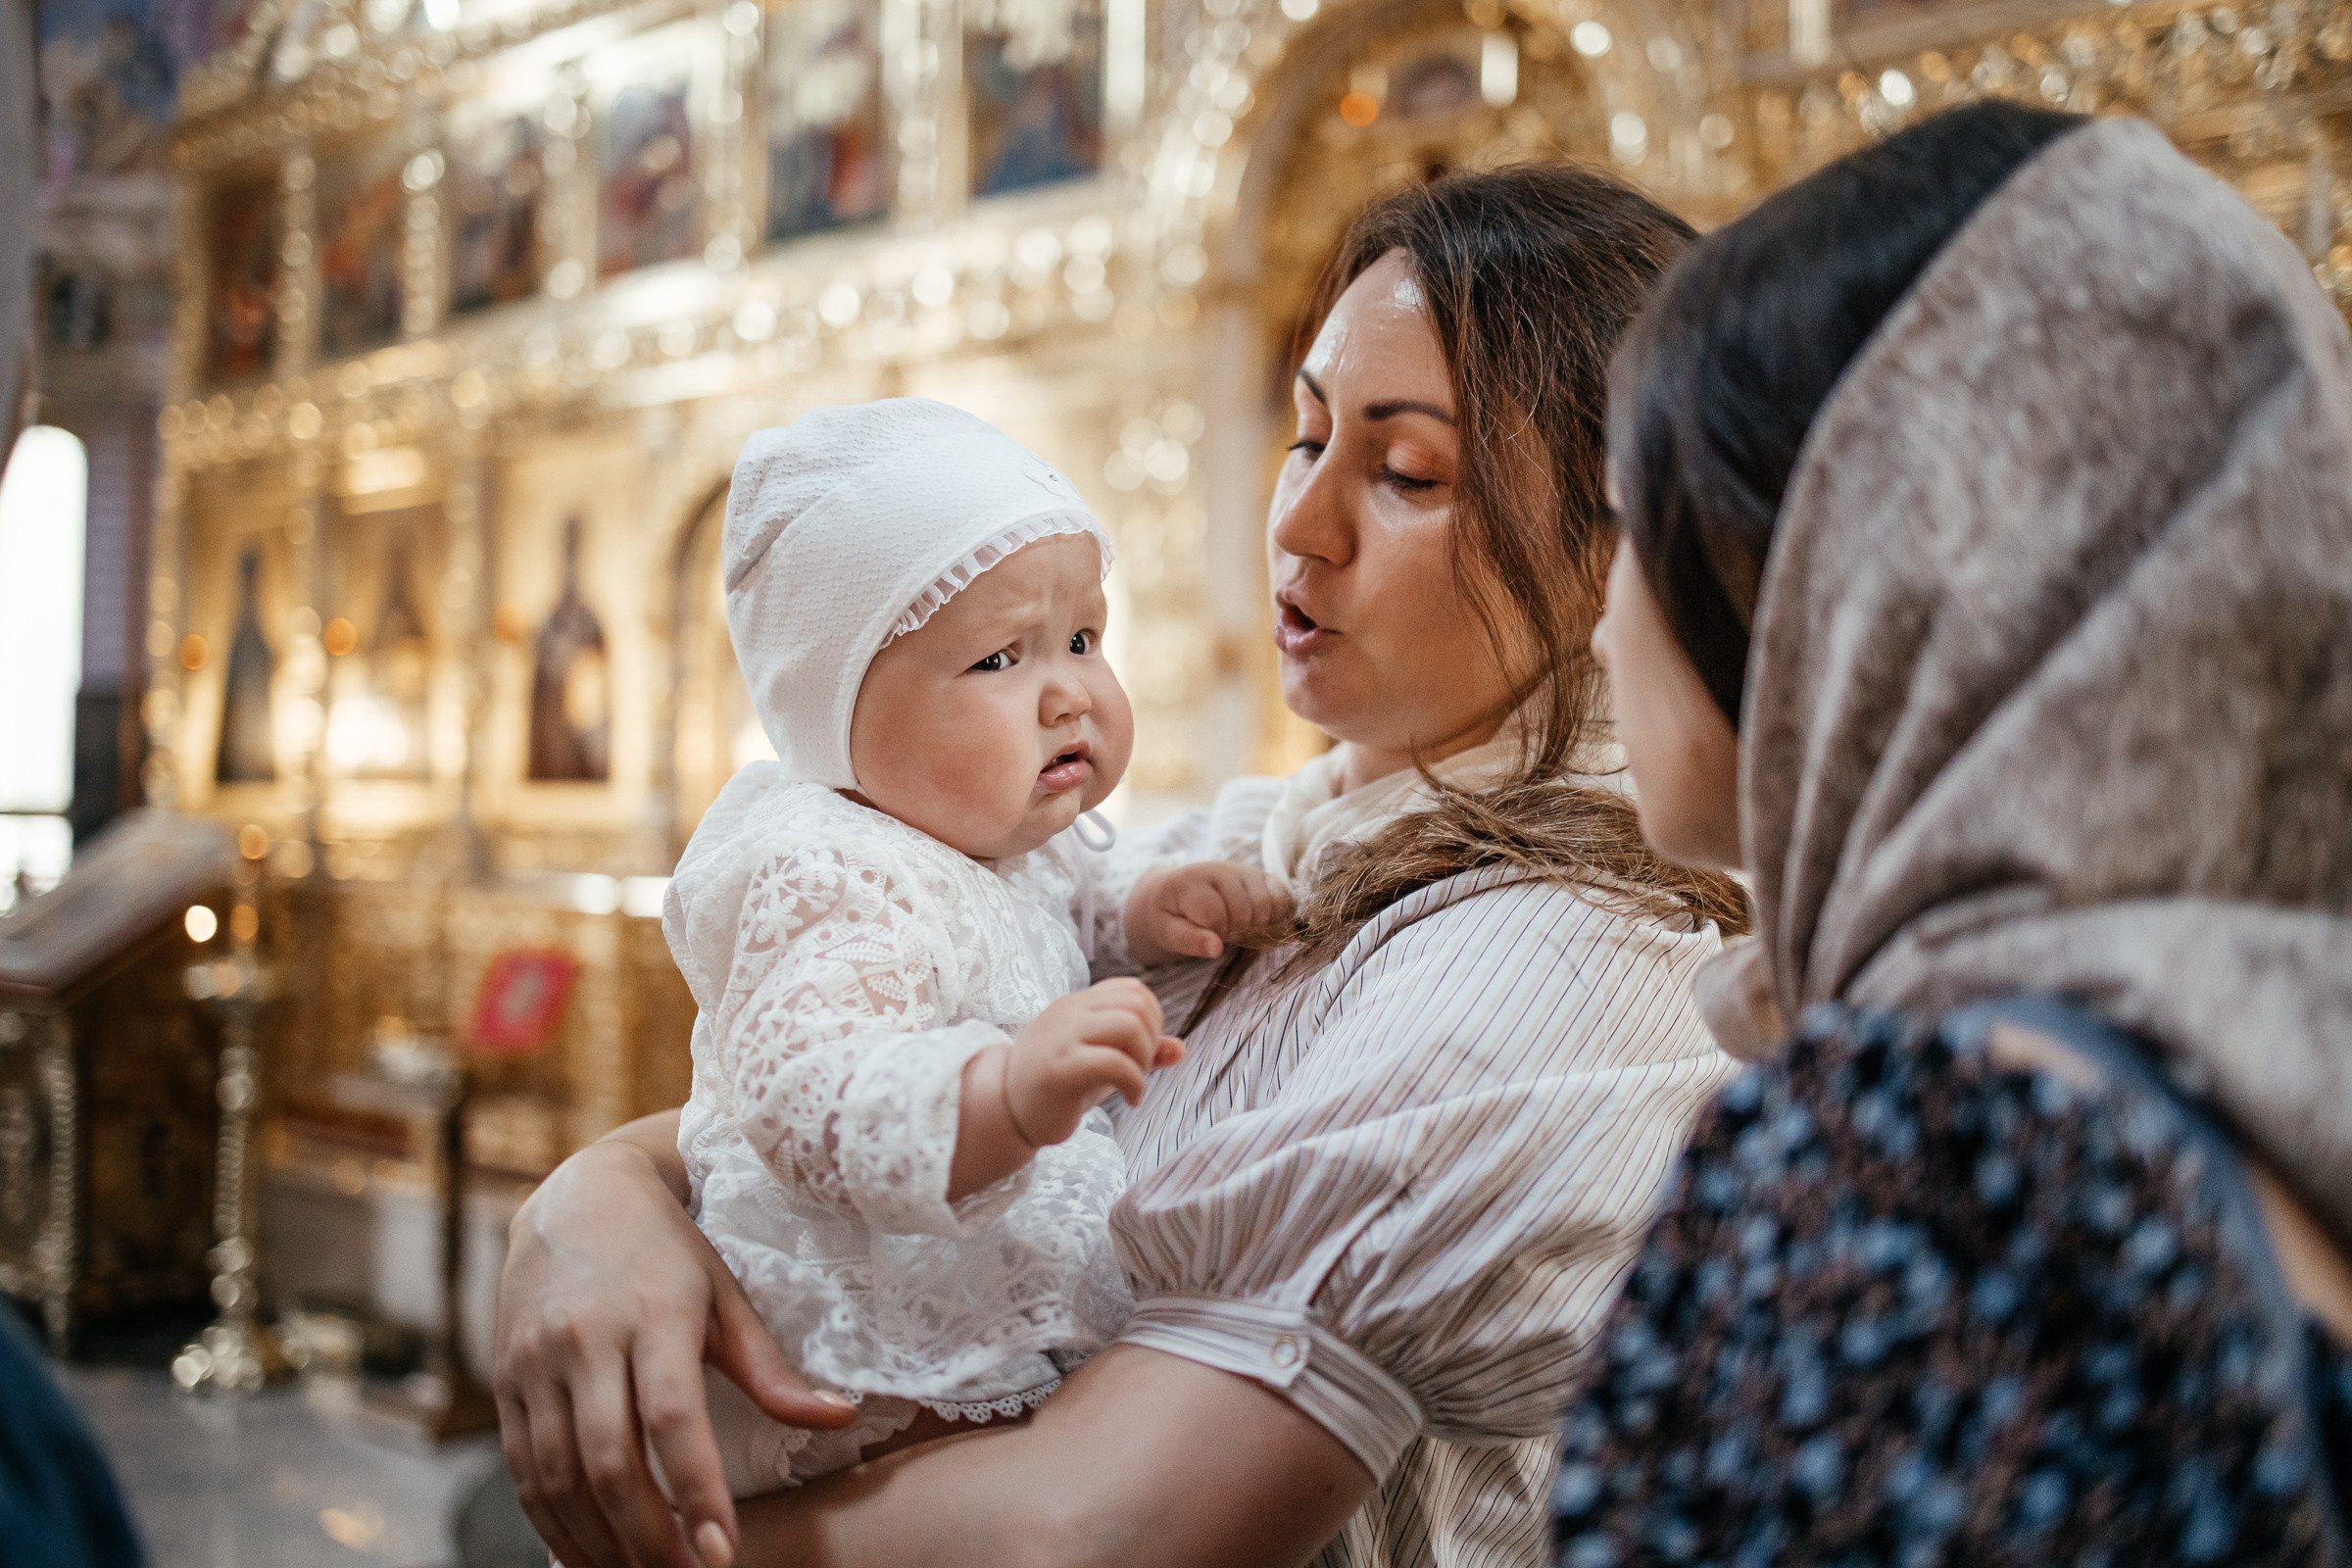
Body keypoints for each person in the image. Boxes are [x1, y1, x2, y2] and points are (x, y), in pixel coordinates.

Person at [493, 165, 1747, 1568]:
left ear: (1612, 546)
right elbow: (840, 1081)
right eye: (1308, 436)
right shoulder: (1233, 851)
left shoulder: (1572, 968)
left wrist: (667, 1544)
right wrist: (594, 1201)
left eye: (1404, 473)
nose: (1299, 524)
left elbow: (1091, 1535)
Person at [1564, 101, 2352, 1563]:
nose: (1605, 623)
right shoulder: (2280, 1068)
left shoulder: (1930, 1164)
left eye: (1629, 522)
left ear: (1843, 568)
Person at [661, 401, 1289, 1523]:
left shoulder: (996, 841)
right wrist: (997, 1090)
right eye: (1001, 657)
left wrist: (1152, 908)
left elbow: (1069, 912)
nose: (1069, 693)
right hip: (868, 1361)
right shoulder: (837, 875)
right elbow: (807, 1096)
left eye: (1085, 640)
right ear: (838, 716)